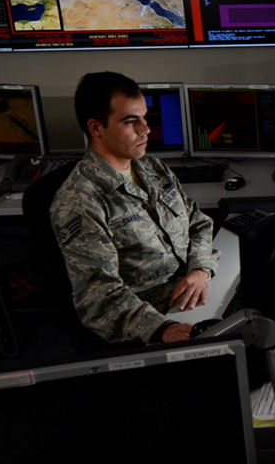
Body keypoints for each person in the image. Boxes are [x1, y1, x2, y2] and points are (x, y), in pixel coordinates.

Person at [51, 71, 220, 344]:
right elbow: (99, 300)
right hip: (156, 321)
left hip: (200, 290)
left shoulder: (152, 168)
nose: (146, 129)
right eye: (131, 121)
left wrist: (199, 270)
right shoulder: (80, 202)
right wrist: (163, 330)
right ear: (96, 128)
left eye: (145, 117)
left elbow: (198, 222)